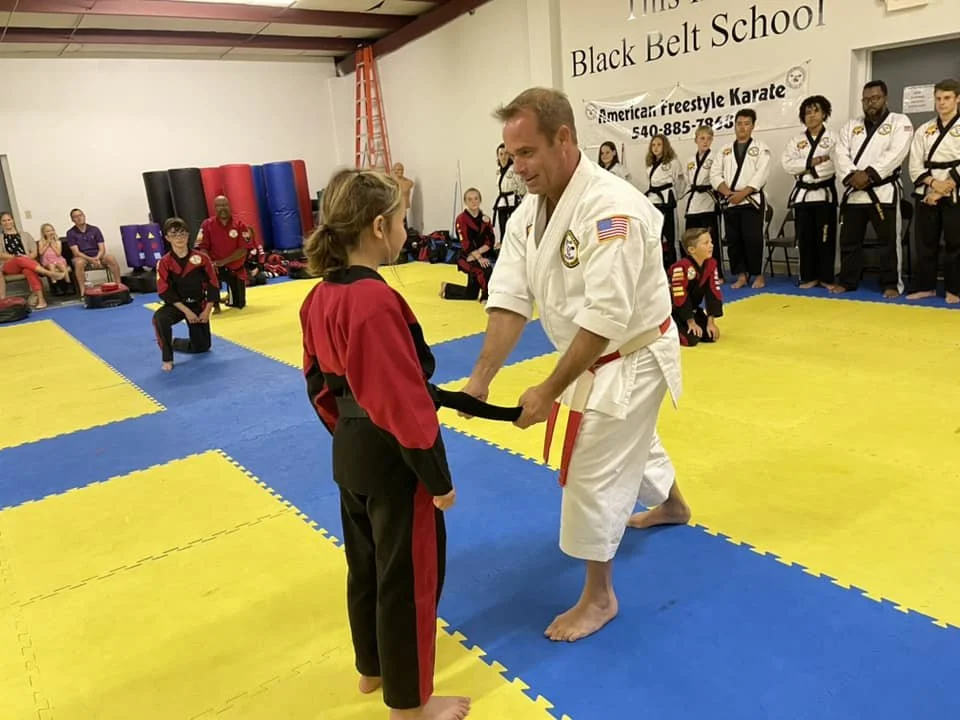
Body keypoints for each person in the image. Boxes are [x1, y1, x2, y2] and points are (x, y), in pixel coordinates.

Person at [461, 87, 691, 644]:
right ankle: (674, 505)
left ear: (563, 139)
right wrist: (480, 380)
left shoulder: (613, 210)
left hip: (632, 351)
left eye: (528, 153)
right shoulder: (528, 213)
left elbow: (607, 315)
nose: (518, 167)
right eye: (511, 155)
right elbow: (509, 298)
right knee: (633, 439)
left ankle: (599, 596)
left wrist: (548, 389)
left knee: (593, 463)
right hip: (592, 354)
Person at [299, 168, 470, 720]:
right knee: (409, 580)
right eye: (401, 220)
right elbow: (402, 400)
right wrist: (436, 476)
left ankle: (372, 669)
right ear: (378, 227)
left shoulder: (319, 297)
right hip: (396, 457)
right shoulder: (374, 301)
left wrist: (346, 432)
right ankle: (410, 706)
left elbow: (316, 384)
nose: (405, 230)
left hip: (351, 452)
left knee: (367, 567)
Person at [832, 80, 913, 298]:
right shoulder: (851, 126)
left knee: (888, 242)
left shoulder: (899, 122)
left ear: (885, 98)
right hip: (854, 193)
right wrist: (852, 175)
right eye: (866, 99)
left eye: (875, 98)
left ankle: (891, 283)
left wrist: (868, 174)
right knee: (849, 241)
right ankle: (847, 280)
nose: (870, 103)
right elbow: (840, 153)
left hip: (883, 192)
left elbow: (897, 152)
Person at [906, 78, 960, 303]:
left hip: (955, 192)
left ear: (957, 99)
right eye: (938, 98)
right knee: (925, 243)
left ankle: (954, 289)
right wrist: (933, 184)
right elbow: (914, 165)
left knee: (955, 243)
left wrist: (945, 186)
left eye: (947, 98)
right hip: (927, 191)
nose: (942, 103)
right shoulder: (924, 130)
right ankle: (925, 286)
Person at [781, 95, 839, 290]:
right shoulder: (796, 140)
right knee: (805, 239)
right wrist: (813, 162)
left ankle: (826, 278)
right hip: (803, 197)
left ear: (824, 114)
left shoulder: (833, 138)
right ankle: (808, 277)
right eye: (807, 112)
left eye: (816, 111)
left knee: (825, 239)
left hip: (824, 195)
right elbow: (788, 165)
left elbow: (835, 164)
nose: (812, 116)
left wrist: (807, 169)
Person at [709, 108, 771, 289]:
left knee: (753, 239)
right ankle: (741, 275)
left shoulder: (761, 148)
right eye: (739, 124)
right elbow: (715, 174)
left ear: (753, 126)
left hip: (751, 200)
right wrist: (728, 194)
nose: (742, 127)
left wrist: (743, 194)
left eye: (746, 124)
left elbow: (762, 173)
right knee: (734, 240)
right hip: (731, 200)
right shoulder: (725, 150)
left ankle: (758, 275)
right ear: (734, 126)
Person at [152, 217, 218, 372]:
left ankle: (175, 343)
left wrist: (207, 310)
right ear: (167, 238)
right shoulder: (164, 262)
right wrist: (187, 312)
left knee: (202, 347)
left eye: (182, 233)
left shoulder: (202, 259)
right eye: (174, 234)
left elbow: (213, 284)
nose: (179, 238)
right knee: (160, 318)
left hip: (198, 304)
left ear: (188, 235)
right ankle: (167, 357)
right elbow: (164, 291)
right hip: (177, 305)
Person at [196, 195, 253, 311]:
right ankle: (213, 302)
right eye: (219, 206)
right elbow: (201, 247)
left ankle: (229, 298)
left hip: (234, 269)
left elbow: (243, 250)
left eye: (225, 205)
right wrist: (210, 263)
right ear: (215, 208)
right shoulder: (206, 225)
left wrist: (223, 262)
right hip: (215, 268)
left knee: (239, 305)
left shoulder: (241, 225)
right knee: (205, 273)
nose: (222, 208)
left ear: (229, 206)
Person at [668, 228, 723, 346]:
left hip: (692, 309)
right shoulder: (681, 267)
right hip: (674, 311)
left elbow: (713, 292)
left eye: (711, 242)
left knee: (710, 336)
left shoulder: (711, 264)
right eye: (706, 243)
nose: (711, 245)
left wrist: (711, 322)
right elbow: (680, 296)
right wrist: (691, 322)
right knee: (691, 340)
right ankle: (669, 328)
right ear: (692, 250)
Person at [684, 125, 724, 282]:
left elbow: (718, 177)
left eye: (708, 138)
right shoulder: (690, 160)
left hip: (708, 203)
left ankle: (717, 273)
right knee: (692, 241)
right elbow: (688, 180)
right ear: (696, 140)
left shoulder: (715, 157)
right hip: (694, 204)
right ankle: (695, 273)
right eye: (702, 138)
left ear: (712, 140)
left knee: (710, 242)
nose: (705, 141)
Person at [440, 188, 495, 302]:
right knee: (485, 269)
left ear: (480, 200)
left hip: (480, 253)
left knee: (471, 294)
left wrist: (479, 254)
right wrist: (478, 258)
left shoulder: (485, 219)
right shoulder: (461, 219)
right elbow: (465, 242)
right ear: (465, 202)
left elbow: (490, 241)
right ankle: (486, 296)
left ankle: (447, 288)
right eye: (470, 199)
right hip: (466, 256)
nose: (473, 202)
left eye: (476, 198)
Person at [644, 134, 687, 269]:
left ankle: (676, 268)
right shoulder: (650, 164)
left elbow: (680, 181)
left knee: (672, 238)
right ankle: (657, 269)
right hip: (653, 201)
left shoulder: (673, 162)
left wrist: (675, 196)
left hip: (667, 201)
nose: (655, 148)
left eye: (659, 145)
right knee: (655, 238)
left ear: (665, 146)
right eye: (653, 145)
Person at [65, 208, 123, 296]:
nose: (79, 218)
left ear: (84, 216)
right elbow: (76, 252)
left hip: (97, 255)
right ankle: (83, 291)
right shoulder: (70, 233)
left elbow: (102, 248)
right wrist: (91, 260)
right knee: (79, 263)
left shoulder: (95, 229)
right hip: (82, 256)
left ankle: (119, 285)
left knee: (111, 258)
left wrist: (97, 258)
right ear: (72, 220)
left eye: (80, 215)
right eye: (76, 217)